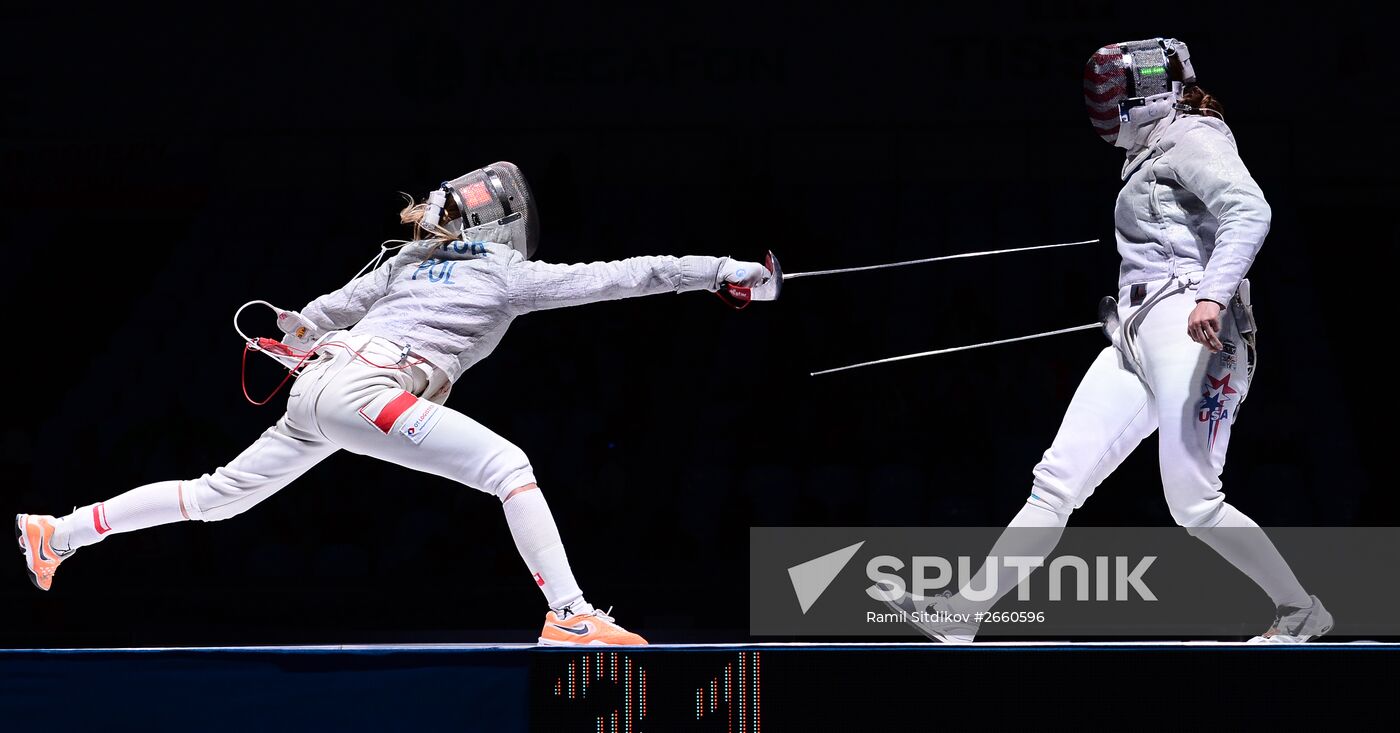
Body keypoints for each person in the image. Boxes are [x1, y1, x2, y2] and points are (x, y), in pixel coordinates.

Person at [16, 161, 773, 647]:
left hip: (321, 385)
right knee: (509, 467)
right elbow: (630, 273)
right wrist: (723, 271)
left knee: (217, 496)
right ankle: (571, 615)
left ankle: (61, 533)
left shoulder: (408, 264)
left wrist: (293, 336)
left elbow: (315, 316)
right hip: (369, 389)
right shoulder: (509, 274)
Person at [884, 38, 1332, 644]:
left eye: (1111, 93)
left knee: (1194, 502)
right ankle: (962, 614)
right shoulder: (1155, 149)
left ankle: (1300, 610)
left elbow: (1250, 210)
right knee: (1057, 481)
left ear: (1144, 94)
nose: (1101, 105)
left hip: (1196, 329)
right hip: (1138, 335)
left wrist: (1212, 295)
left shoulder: (1194, 136)